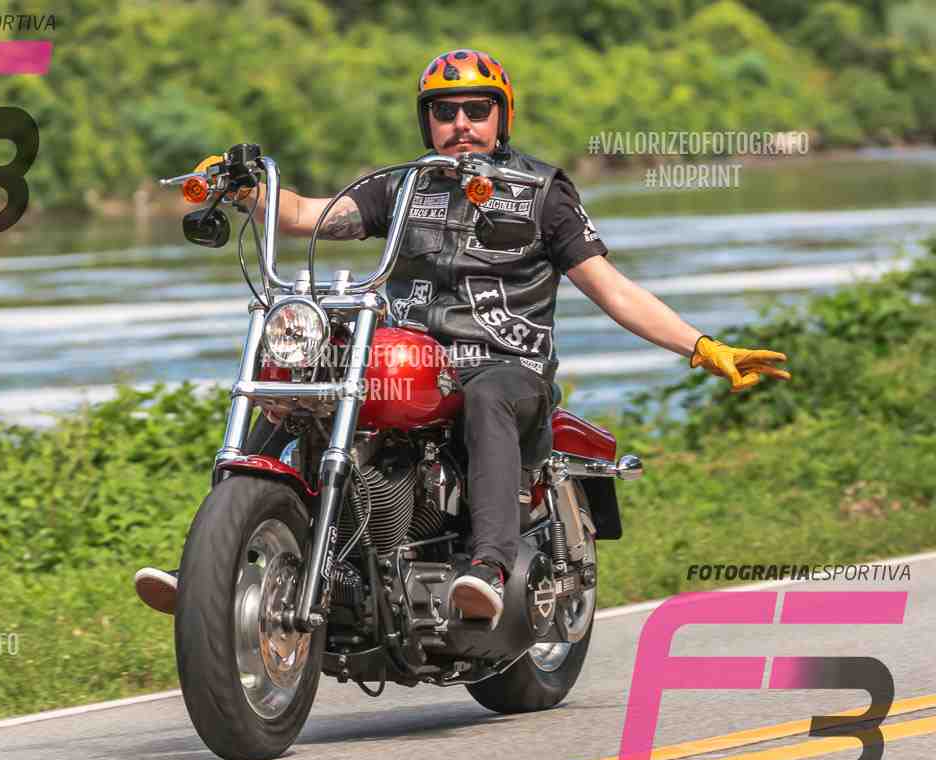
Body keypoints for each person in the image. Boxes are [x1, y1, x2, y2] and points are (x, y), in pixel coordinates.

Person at [135, 49, 790, 628]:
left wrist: (702, 347)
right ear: (427, 121)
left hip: (506, 365)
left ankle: (489, 568)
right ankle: (215, 565)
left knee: (490, 394)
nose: (461, 123)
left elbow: (612, 289)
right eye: (444, 111)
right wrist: (250, 191)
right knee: (301, 380)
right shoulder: (403, 184)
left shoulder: (542, 192)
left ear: (502, 116)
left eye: (477, 109)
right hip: (411, 360)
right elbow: (310, 215)